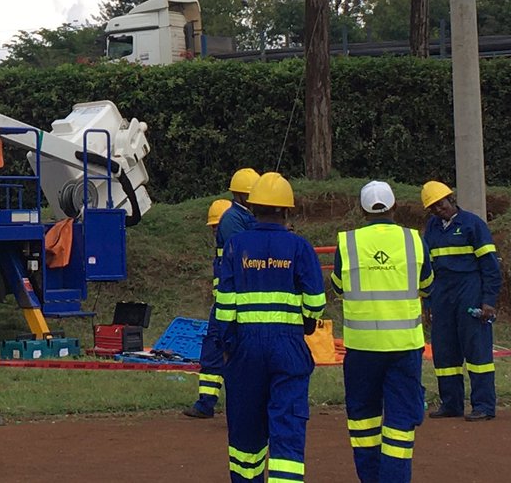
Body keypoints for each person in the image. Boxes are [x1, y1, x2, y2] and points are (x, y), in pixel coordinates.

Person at [215, 172, 326, 483]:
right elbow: (316, 301)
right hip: (288, 347)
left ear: (253, 208)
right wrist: (304, 323)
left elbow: (224, 304)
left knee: (246, 429)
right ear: (286, 211)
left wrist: (226, 344)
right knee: (287, 424)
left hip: (245, 349)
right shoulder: (299, 247)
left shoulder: (236, 245)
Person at [331, 180, 433, 483]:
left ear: (363, 211)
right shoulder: (414, 240)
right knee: (400, 423)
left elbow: (338, 286)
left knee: (363, 422)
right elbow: (427, 284)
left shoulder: (347, 242)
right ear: (394, 207)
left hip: (362, 349)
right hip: (404, 347)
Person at [420, 180, 501, 421]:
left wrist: (488, 300)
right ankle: (452, 403)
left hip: (470, 293)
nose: (437, 210)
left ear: (451, 199)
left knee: (477, 352)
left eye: (440, 204)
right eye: (432, 207)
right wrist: (427, 304)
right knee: (444, 352)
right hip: (442, 296)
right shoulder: (432, 228)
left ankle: (484, 405)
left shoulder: (473, 225)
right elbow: (427, 269)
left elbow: (490, 266)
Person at [183, 197, 234, 419]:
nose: (214, 231)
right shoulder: (223, 248)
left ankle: (234, 406)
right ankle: (206, 403)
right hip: (221, 308)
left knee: (235, 356)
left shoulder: (235, 247)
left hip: (235, 309)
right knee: (212, 351)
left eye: (216, 226)